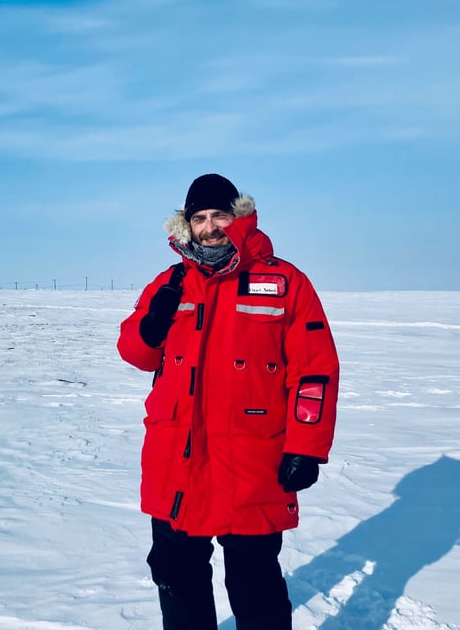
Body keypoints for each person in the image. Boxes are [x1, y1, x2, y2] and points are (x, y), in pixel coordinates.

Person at [117, 173, 339, 630]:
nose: (210, 226)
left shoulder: (284, 282)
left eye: (219, 214)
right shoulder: (170, 282)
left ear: (238, 216)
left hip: (251, 462)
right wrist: (151, 325)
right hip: (176, 461)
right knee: (177, 576)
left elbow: (314, 371)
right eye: (199, 217)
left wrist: (307, 446)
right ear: (187, 224)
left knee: (256, 584)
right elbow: (135, 353)